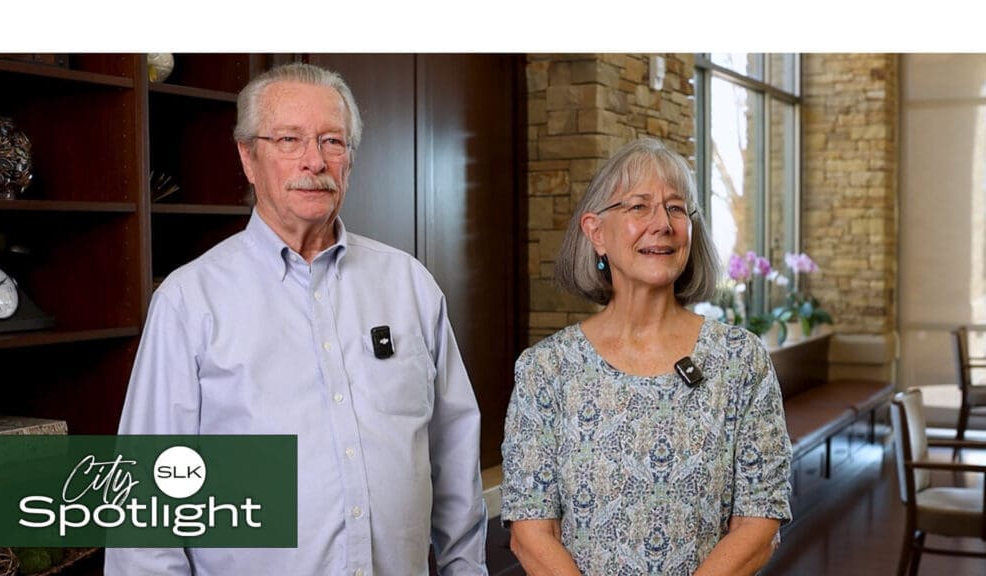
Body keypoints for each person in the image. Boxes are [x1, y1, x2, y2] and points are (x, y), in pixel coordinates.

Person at [105, 63, 488, 576]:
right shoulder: (189, 301)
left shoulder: (410, 285)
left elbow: (455, 458)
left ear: (350, 158)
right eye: (289, 139)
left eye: (333, 141)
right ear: (248, 156)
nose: (315, 160)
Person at [500, 137, 792, 575]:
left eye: (677, 208)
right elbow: (530, 533)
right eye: (639, 207)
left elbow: (759, 520)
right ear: (596, 232)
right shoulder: (546, 370)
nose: (663, 224)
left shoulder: (740, 361)